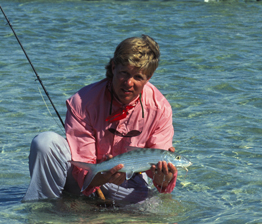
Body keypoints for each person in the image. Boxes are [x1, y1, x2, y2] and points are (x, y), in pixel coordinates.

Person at [23, 35, 177, 205]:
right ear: (113, 67)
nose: (128, 83)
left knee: (156, 212)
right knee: (45, 142)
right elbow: (82, 164)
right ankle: (44, 209)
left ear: (149, 77)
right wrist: (100, 177)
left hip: (127, 181)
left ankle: (79, 209)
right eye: (124, 73)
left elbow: (160, 179)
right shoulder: (82, 101)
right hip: (79, 177)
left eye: (138, 77)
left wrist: (164, 177)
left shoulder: (160, 109)